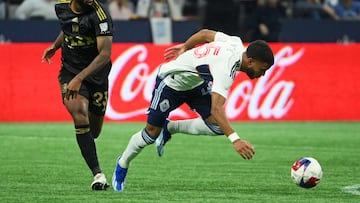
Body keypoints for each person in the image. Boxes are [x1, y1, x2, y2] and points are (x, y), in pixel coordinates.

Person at [112, 29, 274, 191]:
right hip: (171, 82)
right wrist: (236, 140)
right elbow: (216, 109)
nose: (263, 74)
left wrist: (185, 47)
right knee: (151, 133)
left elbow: (204, 34)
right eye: (263, 69)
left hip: (196, 84)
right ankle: (123, 163)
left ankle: (170, 128)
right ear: (251, 61)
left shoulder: (235, 42)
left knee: (218, 126)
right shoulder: (226, 68)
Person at [41, 0, 113, 190]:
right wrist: (55, 46)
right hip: (70, 71)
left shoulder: (100, 17)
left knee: (94, 131)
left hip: (97, 76)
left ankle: (90, 151)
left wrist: (80, 78)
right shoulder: (61, 6)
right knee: (79, 113)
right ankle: (98, 174)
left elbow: (105, 55)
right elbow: (68, 27)